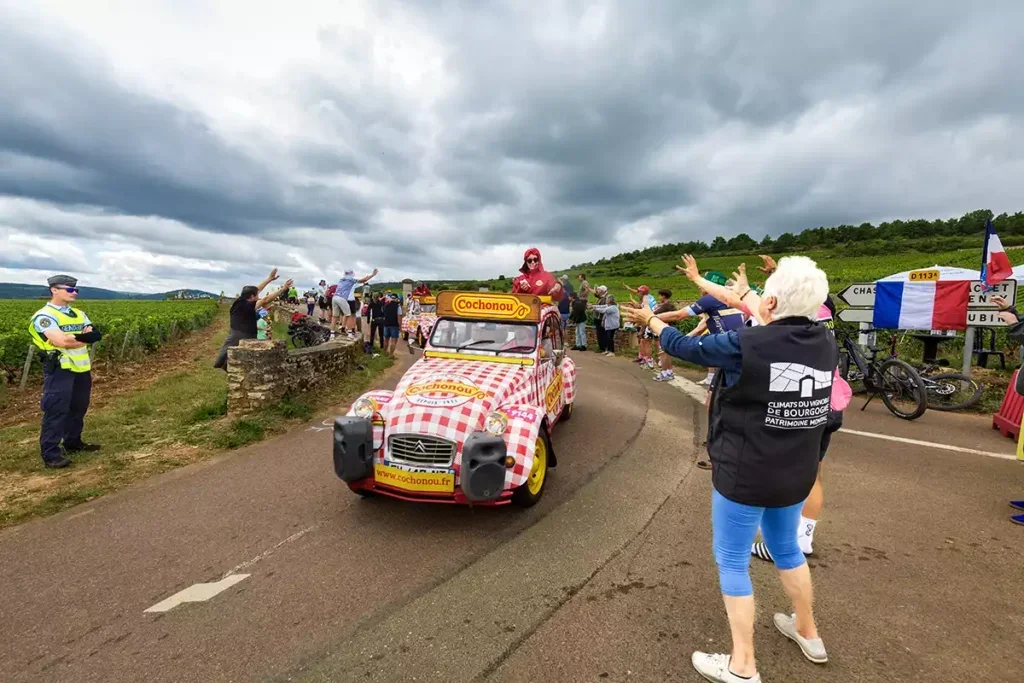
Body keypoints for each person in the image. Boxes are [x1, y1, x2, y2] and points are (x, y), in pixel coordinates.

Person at [624, 255, 834, 683]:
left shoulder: (748, 344)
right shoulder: (823, 342)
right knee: (787, 549)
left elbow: (684, 347)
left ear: (771, 303)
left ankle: (742, 665)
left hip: (746, 470)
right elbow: (754, 304)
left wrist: (652, 321)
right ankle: (808, 632)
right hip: (796, 470)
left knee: (733, 559)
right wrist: (727, 288)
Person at [28, 275, 103, 469]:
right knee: (56, 409)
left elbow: (96, 334)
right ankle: (51, 454)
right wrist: (84, 337)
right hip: (60, 369)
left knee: (79, 407)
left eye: (76, 290)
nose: (74, 293)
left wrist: (80, 337)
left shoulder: (79, 313)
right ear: (54, 290)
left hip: (81, 368)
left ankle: (73, 443)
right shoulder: (44, 317)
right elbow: (61, 342)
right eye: (69, 290)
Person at [214, 269, 292, 370]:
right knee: (243, 360)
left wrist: (269, 279)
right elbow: (265, 299)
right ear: (251, 297)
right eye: (256, 295)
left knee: (227, 356)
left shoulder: (239, 301)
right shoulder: (249, 305)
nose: (258, 296)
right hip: (244, 335)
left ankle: (227, 368)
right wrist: (283, 289)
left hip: (234, 334)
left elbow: (256, 290)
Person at [333, 268, 378, 339]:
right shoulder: (352, 281)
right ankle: (351, 331)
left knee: (346, 315)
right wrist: (372, 275)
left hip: (343, 299)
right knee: (352, 316)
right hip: (350, 299)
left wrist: (366, 278)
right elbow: (364, 280)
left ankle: (343, 327)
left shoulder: (342, 280)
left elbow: (363, 279)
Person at [651, 289, 677, 381]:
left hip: (665, 329)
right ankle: (669, 372)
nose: (659, 298)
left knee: (663, 352)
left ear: (663, 296)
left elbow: (654, 314)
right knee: (667, 352)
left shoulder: (666, 305)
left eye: (660, 296)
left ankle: (664, 372)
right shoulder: (670, 305)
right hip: (671, 329)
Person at [381, 293, 403, 358]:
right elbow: (399, 318)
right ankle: (391, 355)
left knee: (386, 339)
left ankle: (384, 353)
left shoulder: (386, 305)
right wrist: (400, 327)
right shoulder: (398, 307)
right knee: (393, 341)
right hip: (394, 325)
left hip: (386, 324)